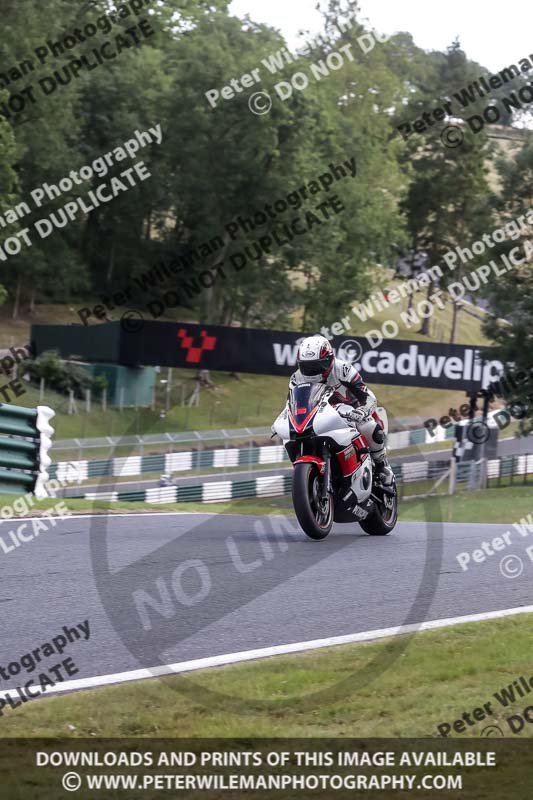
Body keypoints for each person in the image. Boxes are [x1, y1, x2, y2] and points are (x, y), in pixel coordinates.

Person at [290, 334, 394, 485]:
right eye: (308, 367)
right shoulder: (296, 379)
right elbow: (292, 406)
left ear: (330, 360)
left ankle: (381, 465)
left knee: (370, 427)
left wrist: (363, 411)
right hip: (319, 416)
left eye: (317, 366)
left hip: (351, 411)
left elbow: (367, 395)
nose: (313, 372)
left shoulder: (343, 369)